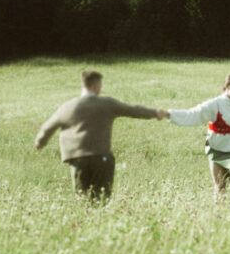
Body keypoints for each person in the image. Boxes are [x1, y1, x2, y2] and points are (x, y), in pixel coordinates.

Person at [35, 70, 166, 201]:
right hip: (101, 157)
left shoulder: (68, 107)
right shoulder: (107, 104)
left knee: (82, 199)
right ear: (96, 86)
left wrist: (40, 142)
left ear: (83, 84)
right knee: (101, 198)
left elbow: (48, 127)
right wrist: (154, 113)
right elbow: (133, 110)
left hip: (78, 159)